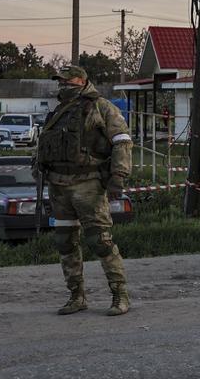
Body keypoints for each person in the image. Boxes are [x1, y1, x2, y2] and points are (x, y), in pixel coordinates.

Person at [35, 65, 133, 316]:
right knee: (65, 241)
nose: (63, 85)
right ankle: (76, 296)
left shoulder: (101, 107)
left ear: (82, 80)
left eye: (68, 80)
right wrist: (38, 166)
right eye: (60, 81)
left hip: (88, 184)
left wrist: (118, 176)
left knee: (99, 240)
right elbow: (47, 143)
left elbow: (122, 141)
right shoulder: (58, 111)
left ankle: (119, 295)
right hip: (59, 185)